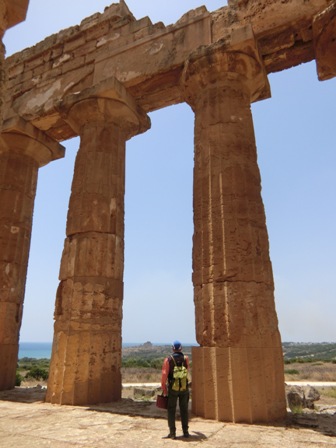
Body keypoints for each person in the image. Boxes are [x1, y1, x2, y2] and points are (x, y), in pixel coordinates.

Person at [161, 340, 190, 439]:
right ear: (181, 348)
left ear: (173, 348)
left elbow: (164, 374)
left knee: (171, 409)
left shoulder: (168, 359)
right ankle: (185, 431)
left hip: (173, 387)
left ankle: (172, 433)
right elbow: (187, 371)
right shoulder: (186, 358)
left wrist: (163, 386)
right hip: (184, 387)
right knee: (184, 409)